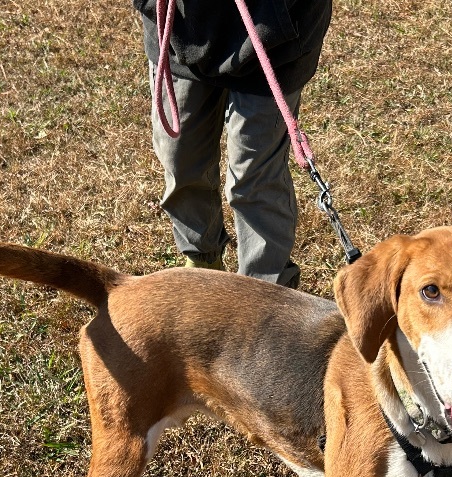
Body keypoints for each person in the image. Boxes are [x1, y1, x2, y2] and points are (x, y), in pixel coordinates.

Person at [133, 0, 333, 288]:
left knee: (254, 181)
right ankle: (203, 263)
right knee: (180, 158)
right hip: (181, 25)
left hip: (275, 27)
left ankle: (264, 293)